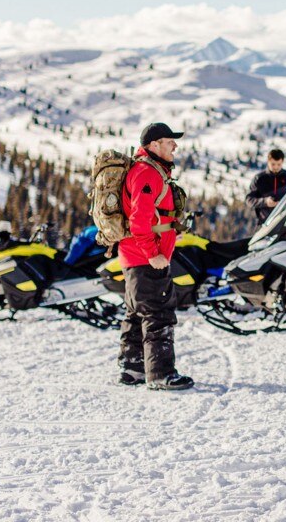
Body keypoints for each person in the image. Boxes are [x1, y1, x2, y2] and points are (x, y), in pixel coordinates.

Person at [118, 122, 194, 391]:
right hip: (144, 257)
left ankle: (133, 368)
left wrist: (171, 232)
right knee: (158, 313)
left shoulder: (148, 170)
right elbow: (139, 220)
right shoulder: (147, 173)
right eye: (169, 141)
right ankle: (161, 375)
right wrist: (153, 254)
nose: (175, 145)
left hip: (134, 255)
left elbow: (151, 216)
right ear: (153, 145)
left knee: (137, 312)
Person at [246, 149, 286, 225]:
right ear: (268, 161)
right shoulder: (259, 179)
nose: (276, 167)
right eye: (273, 164)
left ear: (282, 162)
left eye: (278, 164)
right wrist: (265, 202)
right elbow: (249, 200)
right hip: (265, 224)